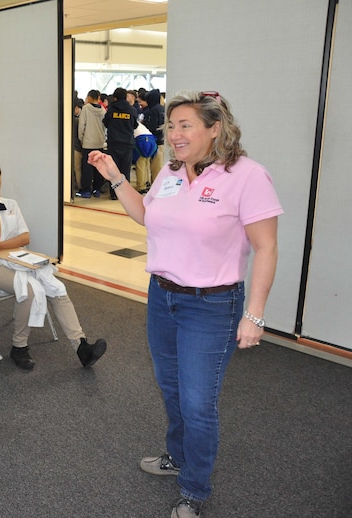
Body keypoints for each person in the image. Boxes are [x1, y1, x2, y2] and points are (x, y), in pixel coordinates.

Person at [88, 90, 282, 518]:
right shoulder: (172, 172)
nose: (173, 134)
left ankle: (194, 488)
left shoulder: (247, 176)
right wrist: (116, 175)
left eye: (185, 126)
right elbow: (144, 216)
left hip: (211, 306)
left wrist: (254, 313)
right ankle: (177, 456)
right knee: (171, 388)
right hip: (163, 297)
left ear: (215, 129)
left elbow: (266, 248)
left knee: (197, 402)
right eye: (170, 126)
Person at [0, 159, 108, 371]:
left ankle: (81, 346)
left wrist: (0, 245)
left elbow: (24, 237)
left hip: (17, 257)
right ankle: (19, 346)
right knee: (29, 291)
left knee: (56, 287)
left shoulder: (11, 203)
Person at [103, 87, 138, 200]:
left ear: (115, 97)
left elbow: (106, 123)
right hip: (127, 144)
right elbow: (135, 125)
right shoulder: (131, 110)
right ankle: (125, 194)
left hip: (113, 143)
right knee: (125, 169)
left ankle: (114, 194)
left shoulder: (111, 109)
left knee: (113, 168)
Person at [77, 89, 107, 198]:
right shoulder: (103, 110)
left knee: (87, 168)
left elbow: (81, 126)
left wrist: (81, 139)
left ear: (89, 97)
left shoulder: (86, 109)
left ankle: (86, 191)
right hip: (99, 143)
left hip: (88, 143)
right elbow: (105, 127)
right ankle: (96, 189)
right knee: (98, 168)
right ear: (98, 98)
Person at [140, 89, 166, 184]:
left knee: (154, 167)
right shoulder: (162, 109)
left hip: (153, 142)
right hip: (160, 141)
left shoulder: (153, 110)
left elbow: (152, 126)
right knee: (157, 167)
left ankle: (155, 187)